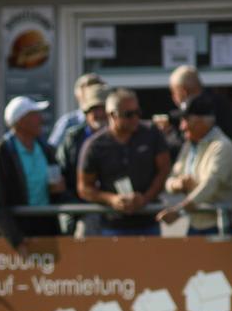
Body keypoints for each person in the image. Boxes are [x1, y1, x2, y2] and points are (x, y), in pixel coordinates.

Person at [77, 89, 171, 237]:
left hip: (148, 221)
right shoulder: (95, 145)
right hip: (113, 224)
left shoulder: (151, 133)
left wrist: (145, 198)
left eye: (137, 112)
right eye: (128, 114)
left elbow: (164, 169)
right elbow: (84, 188)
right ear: (112, 115)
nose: (135, 118)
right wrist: (111, 199)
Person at [0, 96, 63, 254]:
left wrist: (60, 188)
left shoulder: (45, 148)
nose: (40, 119)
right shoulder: (1, 152)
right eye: (34, 115)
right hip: (17, 235)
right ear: (20, 121)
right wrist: (16, 239)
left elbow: (57, 182)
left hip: (46, 230)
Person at [156, 96, 232, 235]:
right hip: (196, 224)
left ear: (201, 122)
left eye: (185, 120)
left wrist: (179, 211)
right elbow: (170, 180)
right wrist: (178, 184)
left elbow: (210, 185)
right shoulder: (189, 146)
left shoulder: (223, 146)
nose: (182, 126)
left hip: (222, 226)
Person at [168, 66, 232, 182]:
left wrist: (168, 136)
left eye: (174, 93)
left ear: (183, 91)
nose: (183, 127)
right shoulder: (221, 102)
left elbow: (194, 140)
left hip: (216, 182)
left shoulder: (205, 109)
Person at [56, 84, 109, 235]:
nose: (99, 114)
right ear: (86, 112)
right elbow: (62, 177)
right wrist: (77, 208)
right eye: (94, 109)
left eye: (103, 108)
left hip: (116, 213)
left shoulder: (122, 137)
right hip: (82, 211)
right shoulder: (72, 139)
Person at [48, 73, 105, 146]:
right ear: (78, 96)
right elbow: (53, 149)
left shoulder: (111, 122)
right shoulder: (68, 123)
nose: (99, 113)